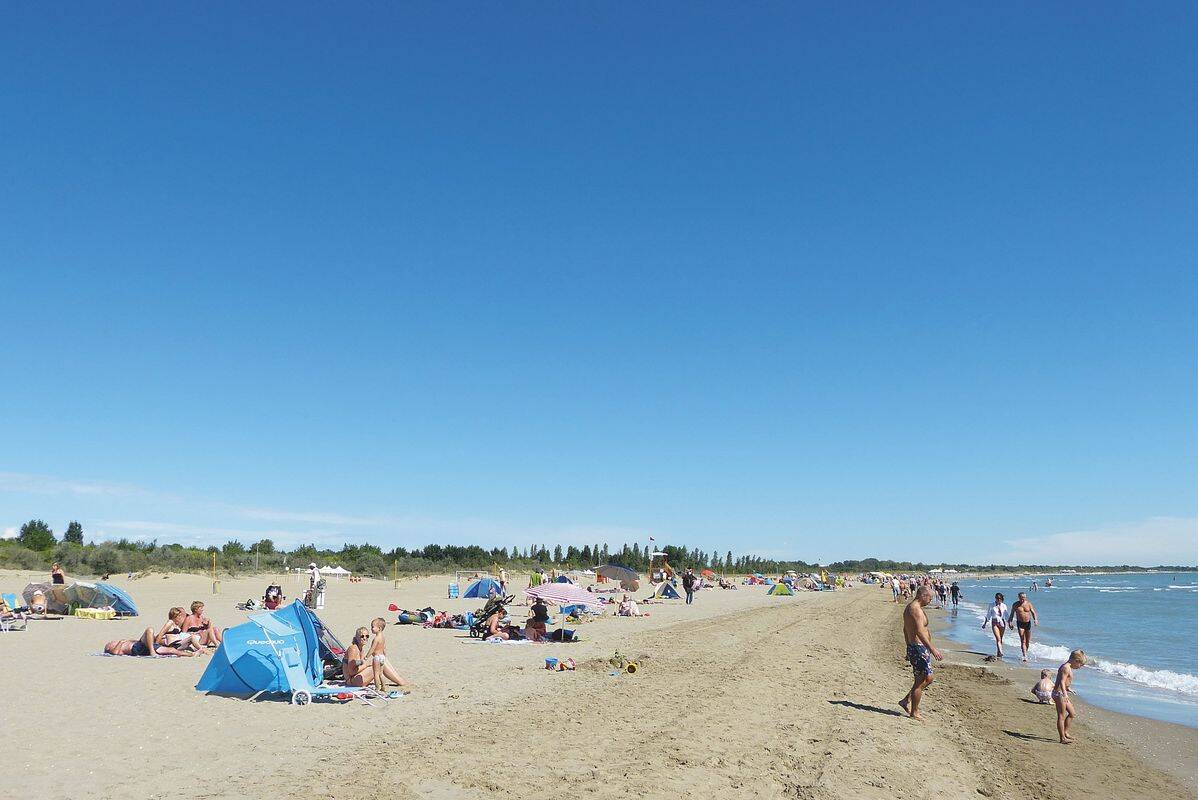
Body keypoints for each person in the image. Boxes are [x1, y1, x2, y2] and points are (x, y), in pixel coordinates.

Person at [900, 585, 944, 720]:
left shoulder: (912, 607)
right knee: (922, 680)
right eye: (930, 598)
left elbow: (905, 629)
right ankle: (914, 712)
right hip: (919, 648)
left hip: (917, 648)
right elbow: (919, 631)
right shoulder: (915, 610)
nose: (930, 600)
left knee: (926, 678)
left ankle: (906, 700)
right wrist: (932, 649)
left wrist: (908, 646)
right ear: (923, 596)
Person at [366, 617, 409, 691]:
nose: (371, 629)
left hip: (376, 657)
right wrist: (385, 655)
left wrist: (366, 657)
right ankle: (383, 687)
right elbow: (384, 647)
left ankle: (377, 688)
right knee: (381, 674)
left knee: (376, 674)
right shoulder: (382, 637)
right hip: (382, 657)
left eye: (372, 627)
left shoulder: (376, 638)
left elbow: (372, 649)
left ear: (379, 628)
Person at [1053, 650, 1086, 744]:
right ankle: (1062, 738)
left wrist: (1068, 689)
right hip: (1059, 694)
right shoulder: (1065, 668)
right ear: (1076, 661)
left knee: (1072, 713)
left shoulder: (1068, 667)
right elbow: (1062, 681)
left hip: (1062, 692)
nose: (1079, 667)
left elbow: (1065, 682)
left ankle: (1065, 732)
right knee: (1061, 716)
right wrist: (1065, 693)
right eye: (1080, 665)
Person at [105, 627, 199, 657]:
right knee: (149, 630)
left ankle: (192, 654)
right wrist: (120, 642)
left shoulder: (121, 643)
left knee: (171, 650)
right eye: (110, 643)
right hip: (136, 648)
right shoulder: (114, 648)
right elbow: (116, 653)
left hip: (140, 645)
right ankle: (152, 652)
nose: (111, 642)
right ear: (108, 647)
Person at [1007, 592, 1038, 662]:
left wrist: (1035, 620)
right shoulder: (1015, 605)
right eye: (1021, 598)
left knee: (1027, 641)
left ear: (1025, 597)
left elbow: (1033, 612)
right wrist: (1010, 622)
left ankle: (1025, 652)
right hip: (1020, 623)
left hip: (1028, 623)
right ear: (1018, 597)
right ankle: (1025, 655)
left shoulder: (1029, 604)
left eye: (1024, 598)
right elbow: (1012, 614)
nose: (1022, 599)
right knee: (1022, 640)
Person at [981, 592, 1008, 658]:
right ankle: (1001, 652)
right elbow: (988, 615)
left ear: (1002, 599)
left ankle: (998, 652)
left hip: (1002, 622)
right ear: (995, 598)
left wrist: (1010, 623)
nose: (998, 600)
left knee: (1000, 638)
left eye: (1000, 598)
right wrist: (985, 623)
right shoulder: (991, 605)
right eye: (997, 598)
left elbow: (1006, 615)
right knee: (998, 638)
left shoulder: (1004, 605)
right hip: (994, 622)